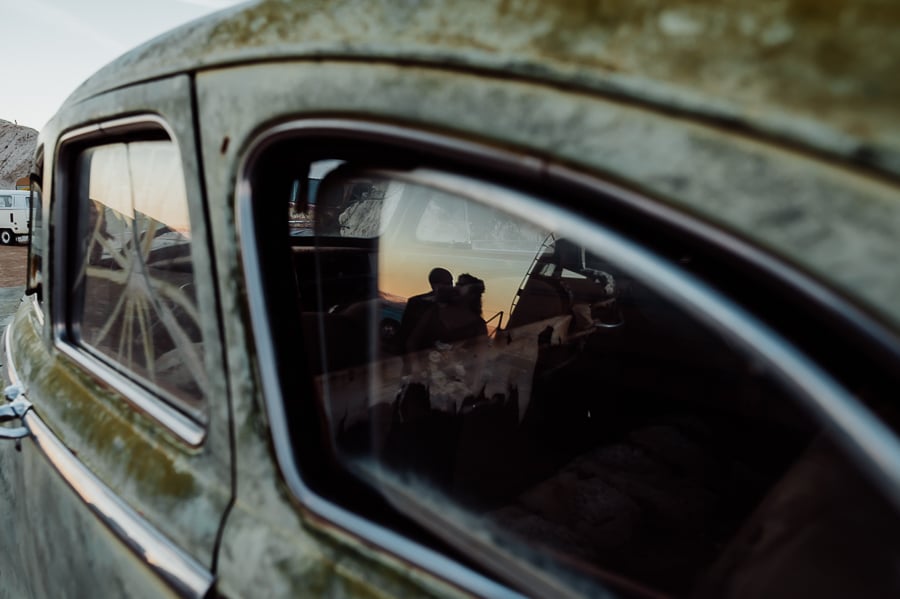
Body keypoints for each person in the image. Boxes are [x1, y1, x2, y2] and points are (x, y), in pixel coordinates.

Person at [396, 267, 453, 353]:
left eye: (451, 282)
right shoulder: (415, 302)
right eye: (447, 283)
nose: (451, 286)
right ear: (434, 285)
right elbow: (405, 331)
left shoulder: (455, 306)